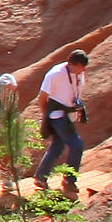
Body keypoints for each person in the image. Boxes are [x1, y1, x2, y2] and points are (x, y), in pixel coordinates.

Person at [29, 48, 90, 188]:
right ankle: (69, 180)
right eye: (80, 68)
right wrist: (46, 116)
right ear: (71, 64)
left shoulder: (79, 74)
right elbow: (42, 97)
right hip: (57, 115)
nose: (83, 71)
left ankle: (40, 177)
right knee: (77, 145)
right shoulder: (55, 74)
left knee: (57, 146)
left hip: (68, 115)